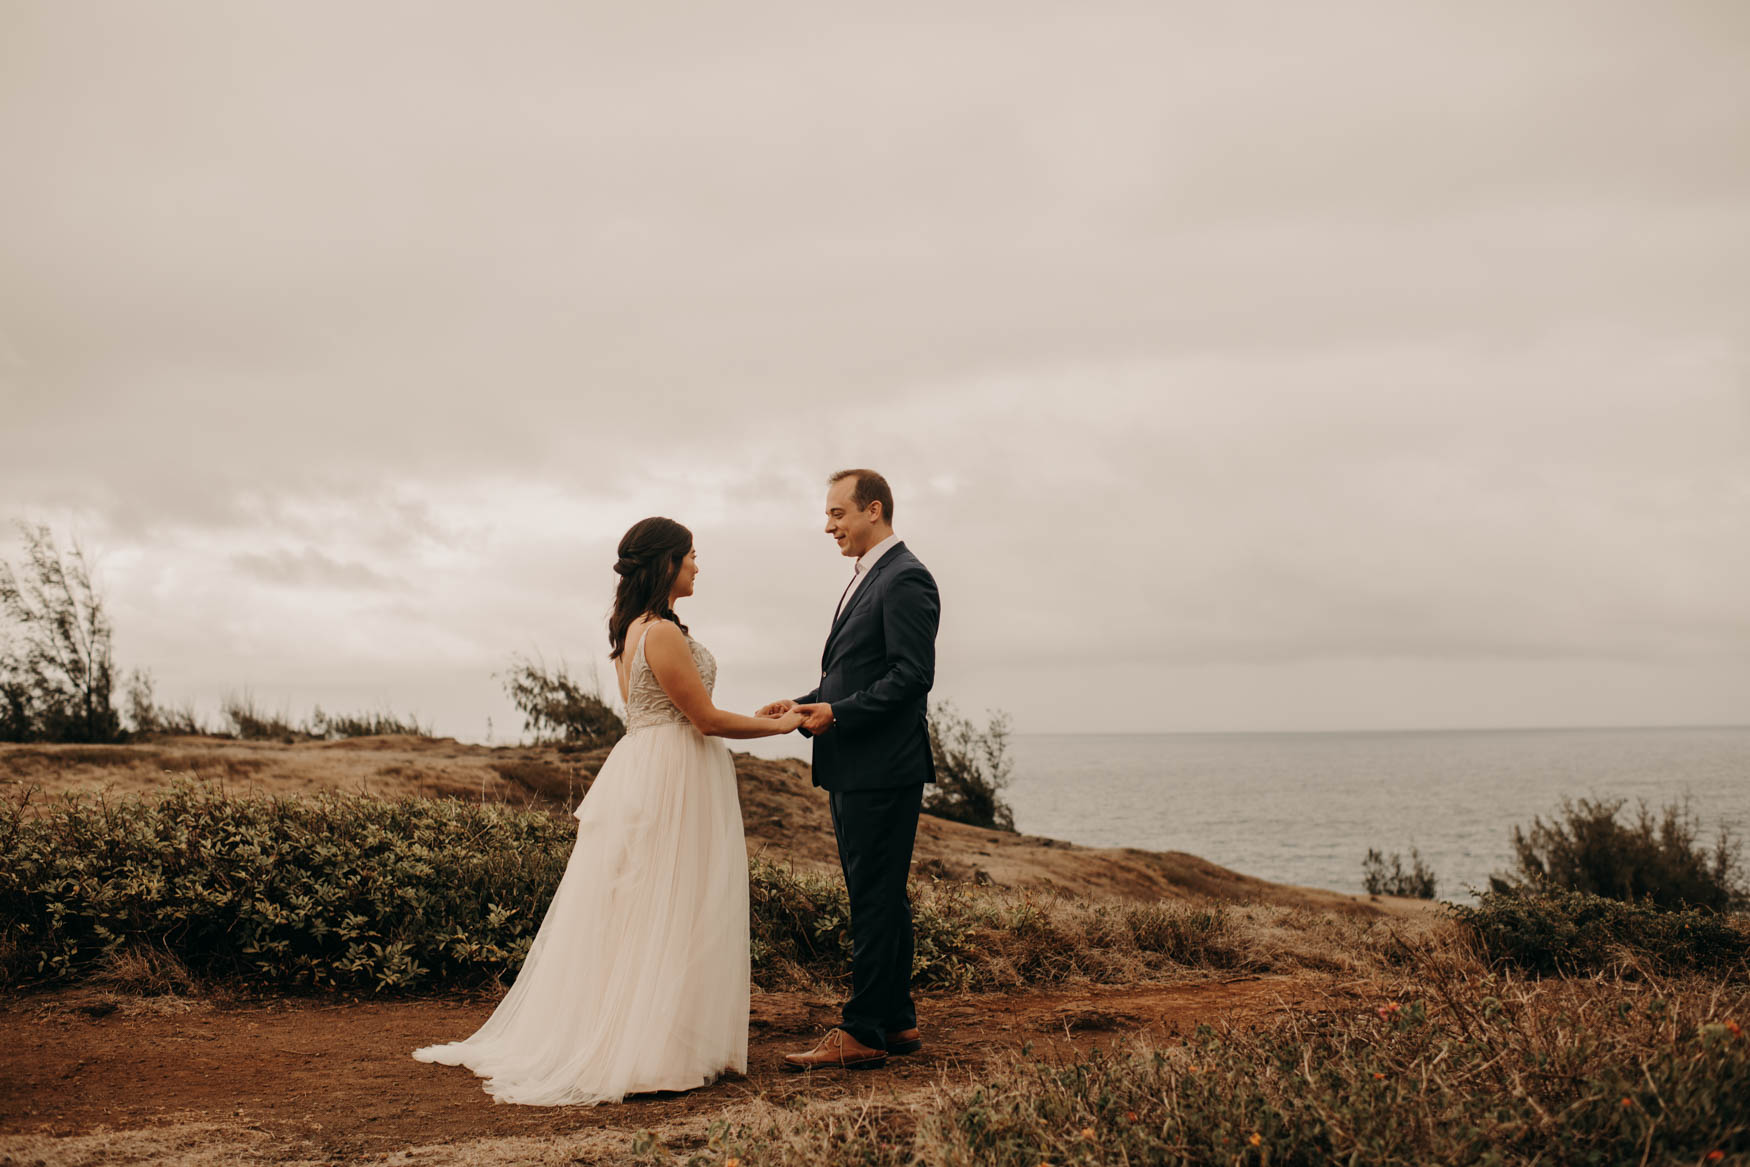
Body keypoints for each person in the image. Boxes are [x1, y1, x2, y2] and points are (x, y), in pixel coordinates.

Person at [412, 517, 804, 1105]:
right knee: (671, 902)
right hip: (673, 771)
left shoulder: (631, 631)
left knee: (644, 903)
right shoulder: (661, 633)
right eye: (692, 555)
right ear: (667, 563)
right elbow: (705, 720)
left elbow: (684, 709)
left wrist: (762, 714)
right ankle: (655, 1051)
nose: (698, 565)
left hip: (650, 766)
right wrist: (784, 723)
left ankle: (654, 1036)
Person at [758, 469, 941, 1071]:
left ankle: (861, 1029)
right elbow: (857, 673)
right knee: (881, 894)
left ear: (874, 509)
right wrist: (811, 703)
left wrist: (838, 713)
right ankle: (897, 1020)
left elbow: (911, 678)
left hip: (882, 766)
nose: (829, 525)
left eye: (838, 513)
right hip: (858, 762)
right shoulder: (871, 577)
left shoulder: (906, 576)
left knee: (873, 897)